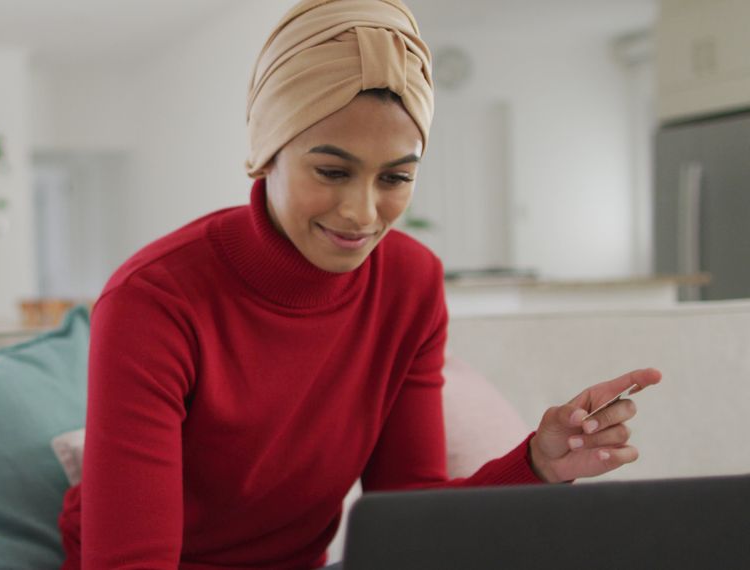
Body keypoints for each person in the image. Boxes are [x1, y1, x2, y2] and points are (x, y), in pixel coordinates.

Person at [57, 0, 662, 568]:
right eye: (331, 170)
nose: (362, 213)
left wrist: (535, 463)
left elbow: (409, 516)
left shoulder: (411, 282)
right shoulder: (152, 299)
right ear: (268, 150)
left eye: (394, 177)